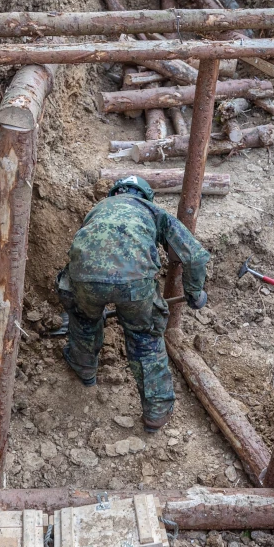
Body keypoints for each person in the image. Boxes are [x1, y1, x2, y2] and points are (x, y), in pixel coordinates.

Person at [57, 176, 210, 432]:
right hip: (135, 285)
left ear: (115, 193)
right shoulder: (153, 211)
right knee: (145, 339)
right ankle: (156, 412)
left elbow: (85, 252)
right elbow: (195, 256)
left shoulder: (99, 208)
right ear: (146, 196)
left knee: (84, 319)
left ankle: (84, 369)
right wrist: (194, 292)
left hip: (84, 279)